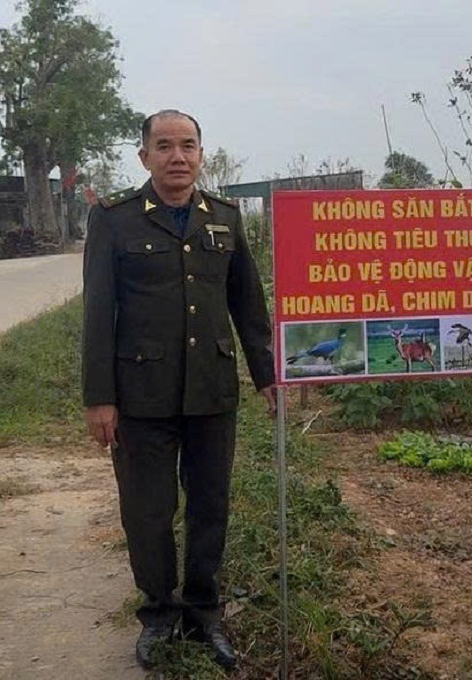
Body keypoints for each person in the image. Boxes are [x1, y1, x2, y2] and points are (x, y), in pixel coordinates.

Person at [81, 109, 276, 670]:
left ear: (201, 154)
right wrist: (99, 397)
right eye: (164, 146)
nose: (177, 157)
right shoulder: (115, 221)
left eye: (188, 145)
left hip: (212, 392)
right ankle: (160, 613)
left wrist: (266, 375)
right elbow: (99, 314)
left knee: (210, 506)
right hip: (140, 394)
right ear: (144, 156)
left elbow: (248, 304)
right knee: (148, 511)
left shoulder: (225, 217)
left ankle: (204, 612)